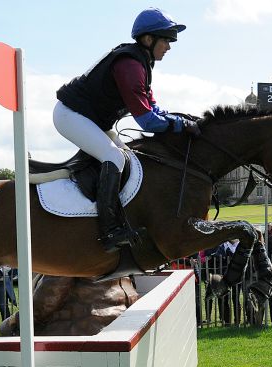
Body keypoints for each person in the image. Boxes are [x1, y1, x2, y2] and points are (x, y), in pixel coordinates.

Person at [54, 7, 199, 253]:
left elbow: (153, 108)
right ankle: (109, 230)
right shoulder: (130, 65)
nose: (170, 46)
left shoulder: (141, 64)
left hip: (89, 119)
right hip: (70, 115)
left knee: (131, 158)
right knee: (113, 156)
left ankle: (121, 218)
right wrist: (180, 124)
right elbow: (148, 121)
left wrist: (178, 118)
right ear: (148, 39)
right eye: (166, 40)